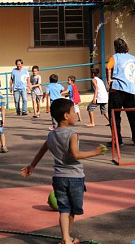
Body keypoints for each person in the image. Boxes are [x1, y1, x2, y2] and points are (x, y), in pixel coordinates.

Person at [21, 98, 106, 244]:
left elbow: (42, 151)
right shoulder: (73, 134)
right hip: (74, 177)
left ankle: (66, 238)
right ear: (66, 116)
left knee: (64, 210)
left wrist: (32, 165)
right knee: (72, 209)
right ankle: (67, 239)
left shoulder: (52, 134)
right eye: (73, 111)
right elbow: (75, 155)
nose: (75, 114)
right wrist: (95, 152)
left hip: (59, 178)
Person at [106, 38, 135, 146]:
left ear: (116, 47)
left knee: (114, 116)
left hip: (117, 89)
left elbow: (108, 67)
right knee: (133, 115)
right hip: (129, 90)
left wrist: (108, 79)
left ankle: (117, 140)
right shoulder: (132, 58)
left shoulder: (115, 57)